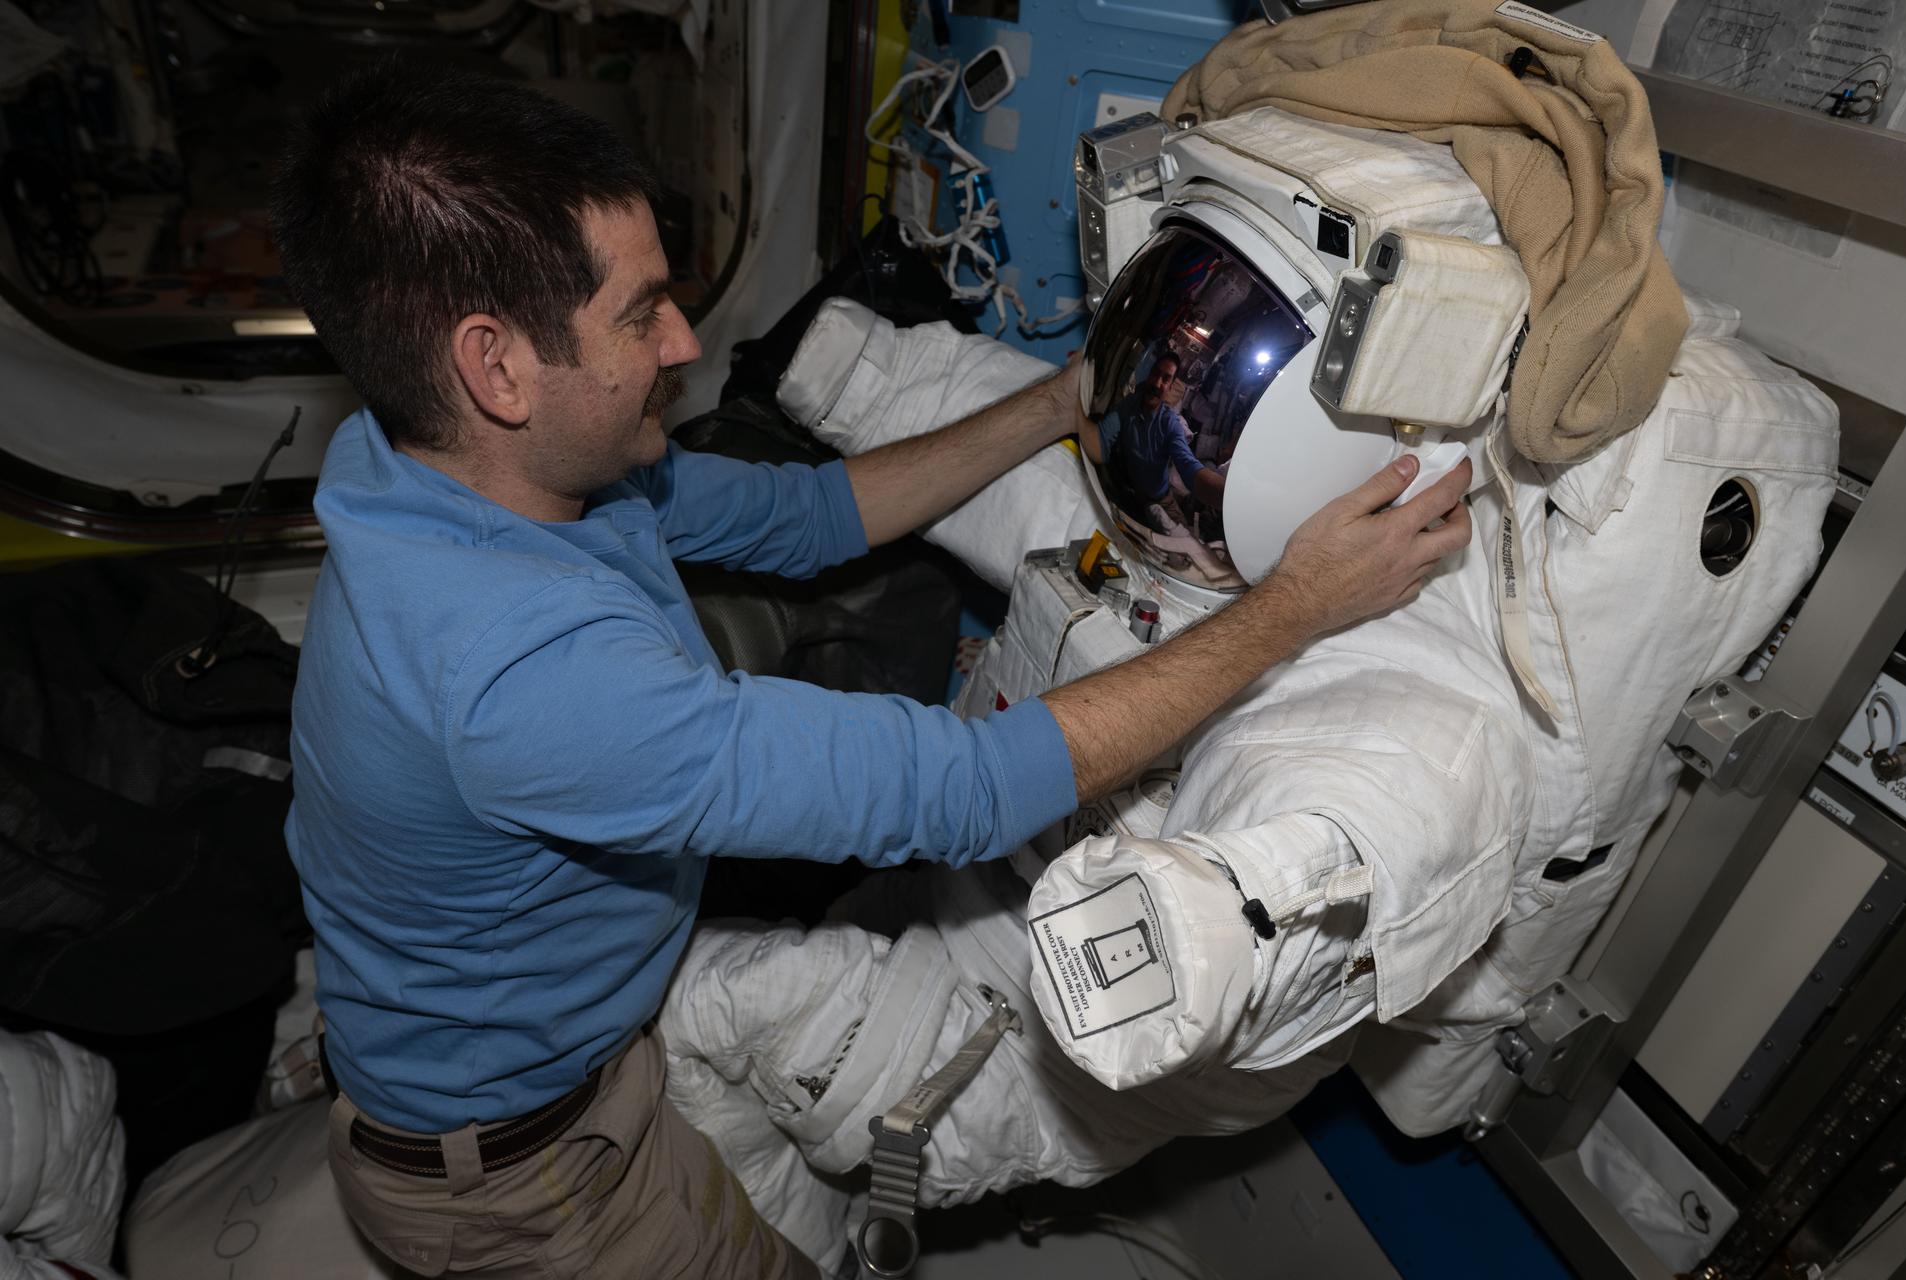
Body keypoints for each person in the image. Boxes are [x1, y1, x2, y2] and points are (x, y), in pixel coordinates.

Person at [269, 60, 1471, 1280]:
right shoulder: (522, 678)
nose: (685, 338)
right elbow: (961, 790)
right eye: (639, 314)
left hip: (557, 1053)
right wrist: (1293, 609)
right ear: (497, 366)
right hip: (534, 1176)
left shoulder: (431, 459)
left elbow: (808, 517)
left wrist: (1059, 400)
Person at [1091, 352, 1225, 526]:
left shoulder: (1170, 424)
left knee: (1188, 543)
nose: (1156, 383)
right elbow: (1101, 440)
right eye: (1155, 374)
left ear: (1170, 387)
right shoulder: (1128, 405)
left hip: (1160, 498)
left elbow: (1189, 468)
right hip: (1128, 487)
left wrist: (1231, 500)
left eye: (1166, 379)